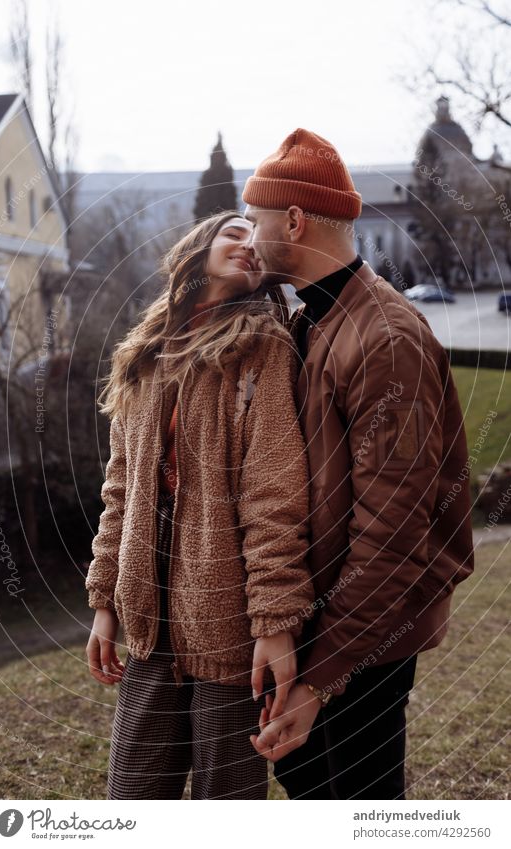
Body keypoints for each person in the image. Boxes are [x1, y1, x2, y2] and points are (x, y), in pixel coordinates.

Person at [243, 128, 475, 799]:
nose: (250, 238)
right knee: (310, 782)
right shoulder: (316, 319)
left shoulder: (384, 339)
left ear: (292, 220)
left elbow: (392, 534)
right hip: (327, 624)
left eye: (255, 222)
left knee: (358, 806)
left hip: (368, 633)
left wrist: (322, 676)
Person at [85, 211, 315, 800]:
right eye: (232, 233)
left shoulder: (262, 348)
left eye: (255, 240)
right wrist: (106, 601)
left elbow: (273, 493)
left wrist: (274, 622)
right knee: (132, 803)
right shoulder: (144, 356)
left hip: (230, 632)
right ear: (198, 248)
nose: (246, 245)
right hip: (148, 628)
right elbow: (120, 490)